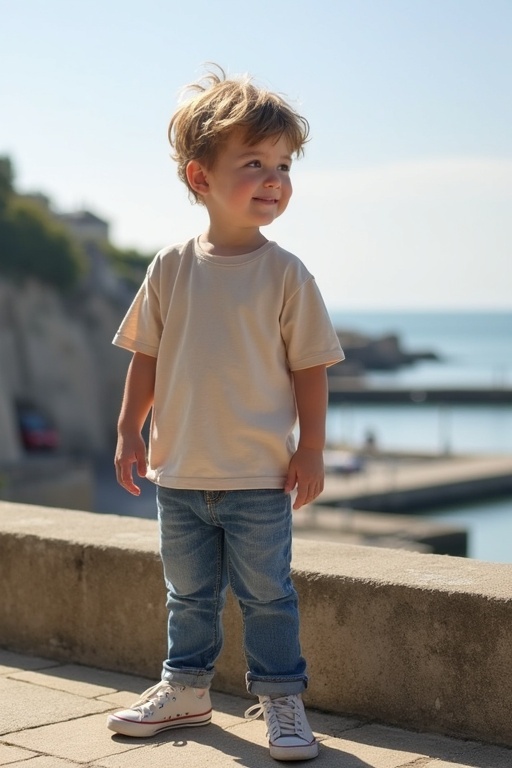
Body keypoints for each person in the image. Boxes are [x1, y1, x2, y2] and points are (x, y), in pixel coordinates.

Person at [107, 65, 344, 762]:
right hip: (178, 473)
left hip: (258, 479)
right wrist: (128, 429)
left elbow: (311, 370)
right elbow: (145, 356)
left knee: (269, 596)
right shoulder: (170, 267)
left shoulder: (287, 274)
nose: (275, 178)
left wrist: (311, 449)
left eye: (283, 164)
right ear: (199, 176)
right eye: (254, 163)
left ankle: (281, 699)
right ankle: (186, 688)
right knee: (188, 596)